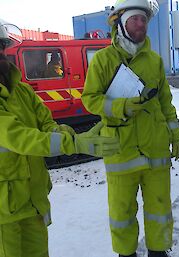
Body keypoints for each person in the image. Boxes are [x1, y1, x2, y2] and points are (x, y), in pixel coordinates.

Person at [0, 20, 120, 257]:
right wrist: (74, 143)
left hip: (33, 202)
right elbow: (18, 137)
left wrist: (69, 133)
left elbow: (46, 123)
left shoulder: (22, 91)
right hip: (3, 213)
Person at [81, 0, 179, 256]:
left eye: (144, 20)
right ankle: (126, 253)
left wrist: (176, 133)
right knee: (122, 213)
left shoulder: (154, 61)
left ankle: (159, 252)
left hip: (156, 150)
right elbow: (90, 99)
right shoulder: (104, 60)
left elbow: (165, 102)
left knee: (159, 210)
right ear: (121, 23)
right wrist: (122, 107)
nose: (141, 25)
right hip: (121, 152)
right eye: (135, 19)